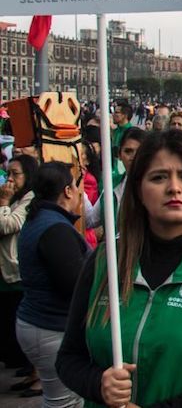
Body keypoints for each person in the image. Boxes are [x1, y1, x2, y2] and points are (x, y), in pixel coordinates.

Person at [57, 130, 182, 407]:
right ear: (139, 189)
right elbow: (69, 358)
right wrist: (98, 384)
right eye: (159, 177)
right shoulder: (105, 262)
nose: (174, 188)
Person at [16, 162, 88, 407]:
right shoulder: (55, 228)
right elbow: (74, 284)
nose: (79, 192)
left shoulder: (42, 219)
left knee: (59, 399)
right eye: (76, 186)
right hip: (50, 327)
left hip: (39, 323)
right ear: (67, 191)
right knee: (65, 401)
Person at [0, 155, 38, 393]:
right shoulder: (15, 197)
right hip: (6, 271)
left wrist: (3, 201)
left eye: (16, 174)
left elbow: (9, 224)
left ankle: (35, 372)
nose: (10, 179)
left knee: (24, 325)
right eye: (9, 173)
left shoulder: (30, 199)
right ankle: (27, 368)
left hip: (17, 271)